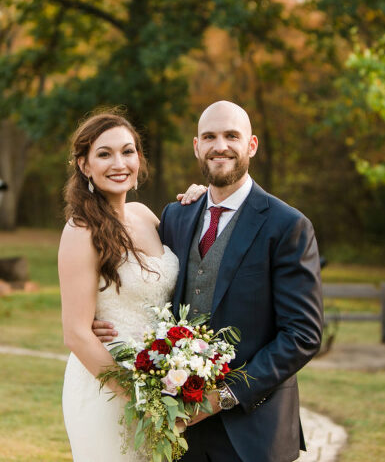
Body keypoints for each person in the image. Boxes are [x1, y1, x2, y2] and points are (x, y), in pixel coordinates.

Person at [93, 100, 324, 461]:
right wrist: (101, 314)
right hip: (178, 427)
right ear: (197, 146)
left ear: (251, 145)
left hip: (253, 431)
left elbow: (303, 336)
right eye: (210, 136)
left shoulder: (288, 226)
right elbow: (151, 283)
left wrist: (226, 395)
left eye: (232, 135)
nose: (221, 145)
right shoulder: (176, 216)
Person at [59, 111, 205, 462]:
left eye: (128, 151)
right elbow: (76, 333)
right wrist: (141, 397)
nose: (119, 163)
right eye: (104, 154)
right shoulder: (81, 231)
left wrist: (201, 200)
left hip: (161, 379)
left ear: (139, 158)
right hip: (108, 386)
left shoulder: (145, 215)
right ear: (84, 165)